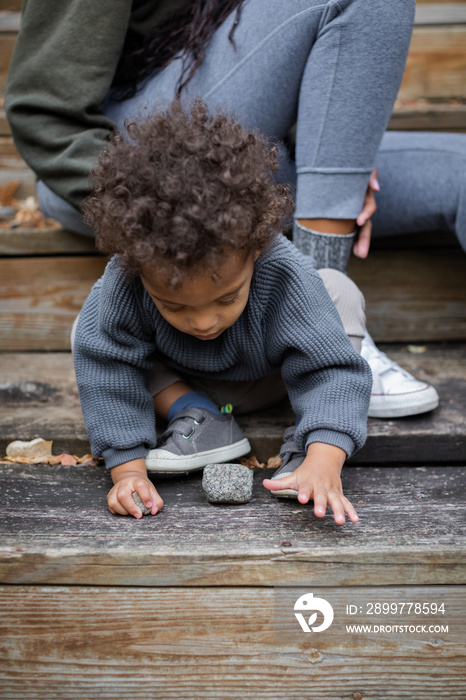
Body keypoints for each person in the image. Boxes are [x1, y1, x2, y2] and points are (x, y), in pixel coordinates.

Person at [6, 0, 462, 417]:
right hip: (123, 163)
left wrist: (339, 148)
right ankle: (326, 335)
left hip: (248, 157)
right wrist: (139, 192)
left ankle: (331, 331)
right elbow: (45, 111)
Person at [72, 99, 372, 524]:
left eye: (227, 298)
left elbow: (330, 371)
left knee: (338, 289)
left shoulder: (283, 270)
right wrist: (128, 471)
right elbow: (109, 369)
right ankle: (200, 416)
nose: (203, 322)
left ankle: (308, 449)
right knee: (90, 327)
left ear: (255, 249)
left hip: (274, 379)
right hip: (181, 382)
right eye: (174, 305)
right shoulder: (125, 280)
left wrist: (327, 459)